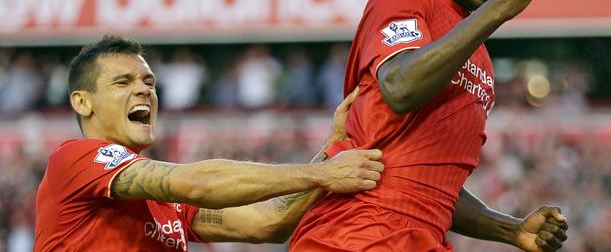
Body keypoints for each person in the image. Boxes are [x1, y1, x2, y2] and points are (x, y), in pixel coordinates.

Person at [290, 0, 568, 252]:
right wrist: (496, 11)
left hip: (419, 239)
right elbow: (399, 85)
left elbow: (432, 184)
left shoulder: (478, 55)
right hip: (359, 233)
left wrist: (511, 230)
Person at [34, 35, 384, 251]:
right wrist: (323, 174)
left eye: (149, 81)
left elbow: (268, 223)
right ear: (83, 102)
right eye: (123, 82)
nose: (144, 90)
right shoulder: (75, 159)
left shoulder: (167, 203)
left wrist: (333, 144)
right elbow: (197, 183)